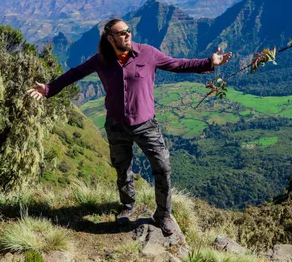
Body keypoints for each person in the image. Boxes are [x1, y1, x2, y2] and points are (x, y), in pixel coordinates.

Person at [28, 18, 232, 235]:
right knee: (122, 168)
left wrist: (210, 63)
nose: (127, 35)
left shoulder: (148, 53)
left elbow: (177, 64)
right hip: (115, 125)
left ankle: (163, 215)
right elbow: (74, 73)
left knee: (162, 167)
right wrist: (49, 89)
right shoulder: (101, 60)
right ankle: (127, 207)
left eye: (128, 31)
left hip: (146, 124)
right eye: (122, 33)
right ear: (110, 38)